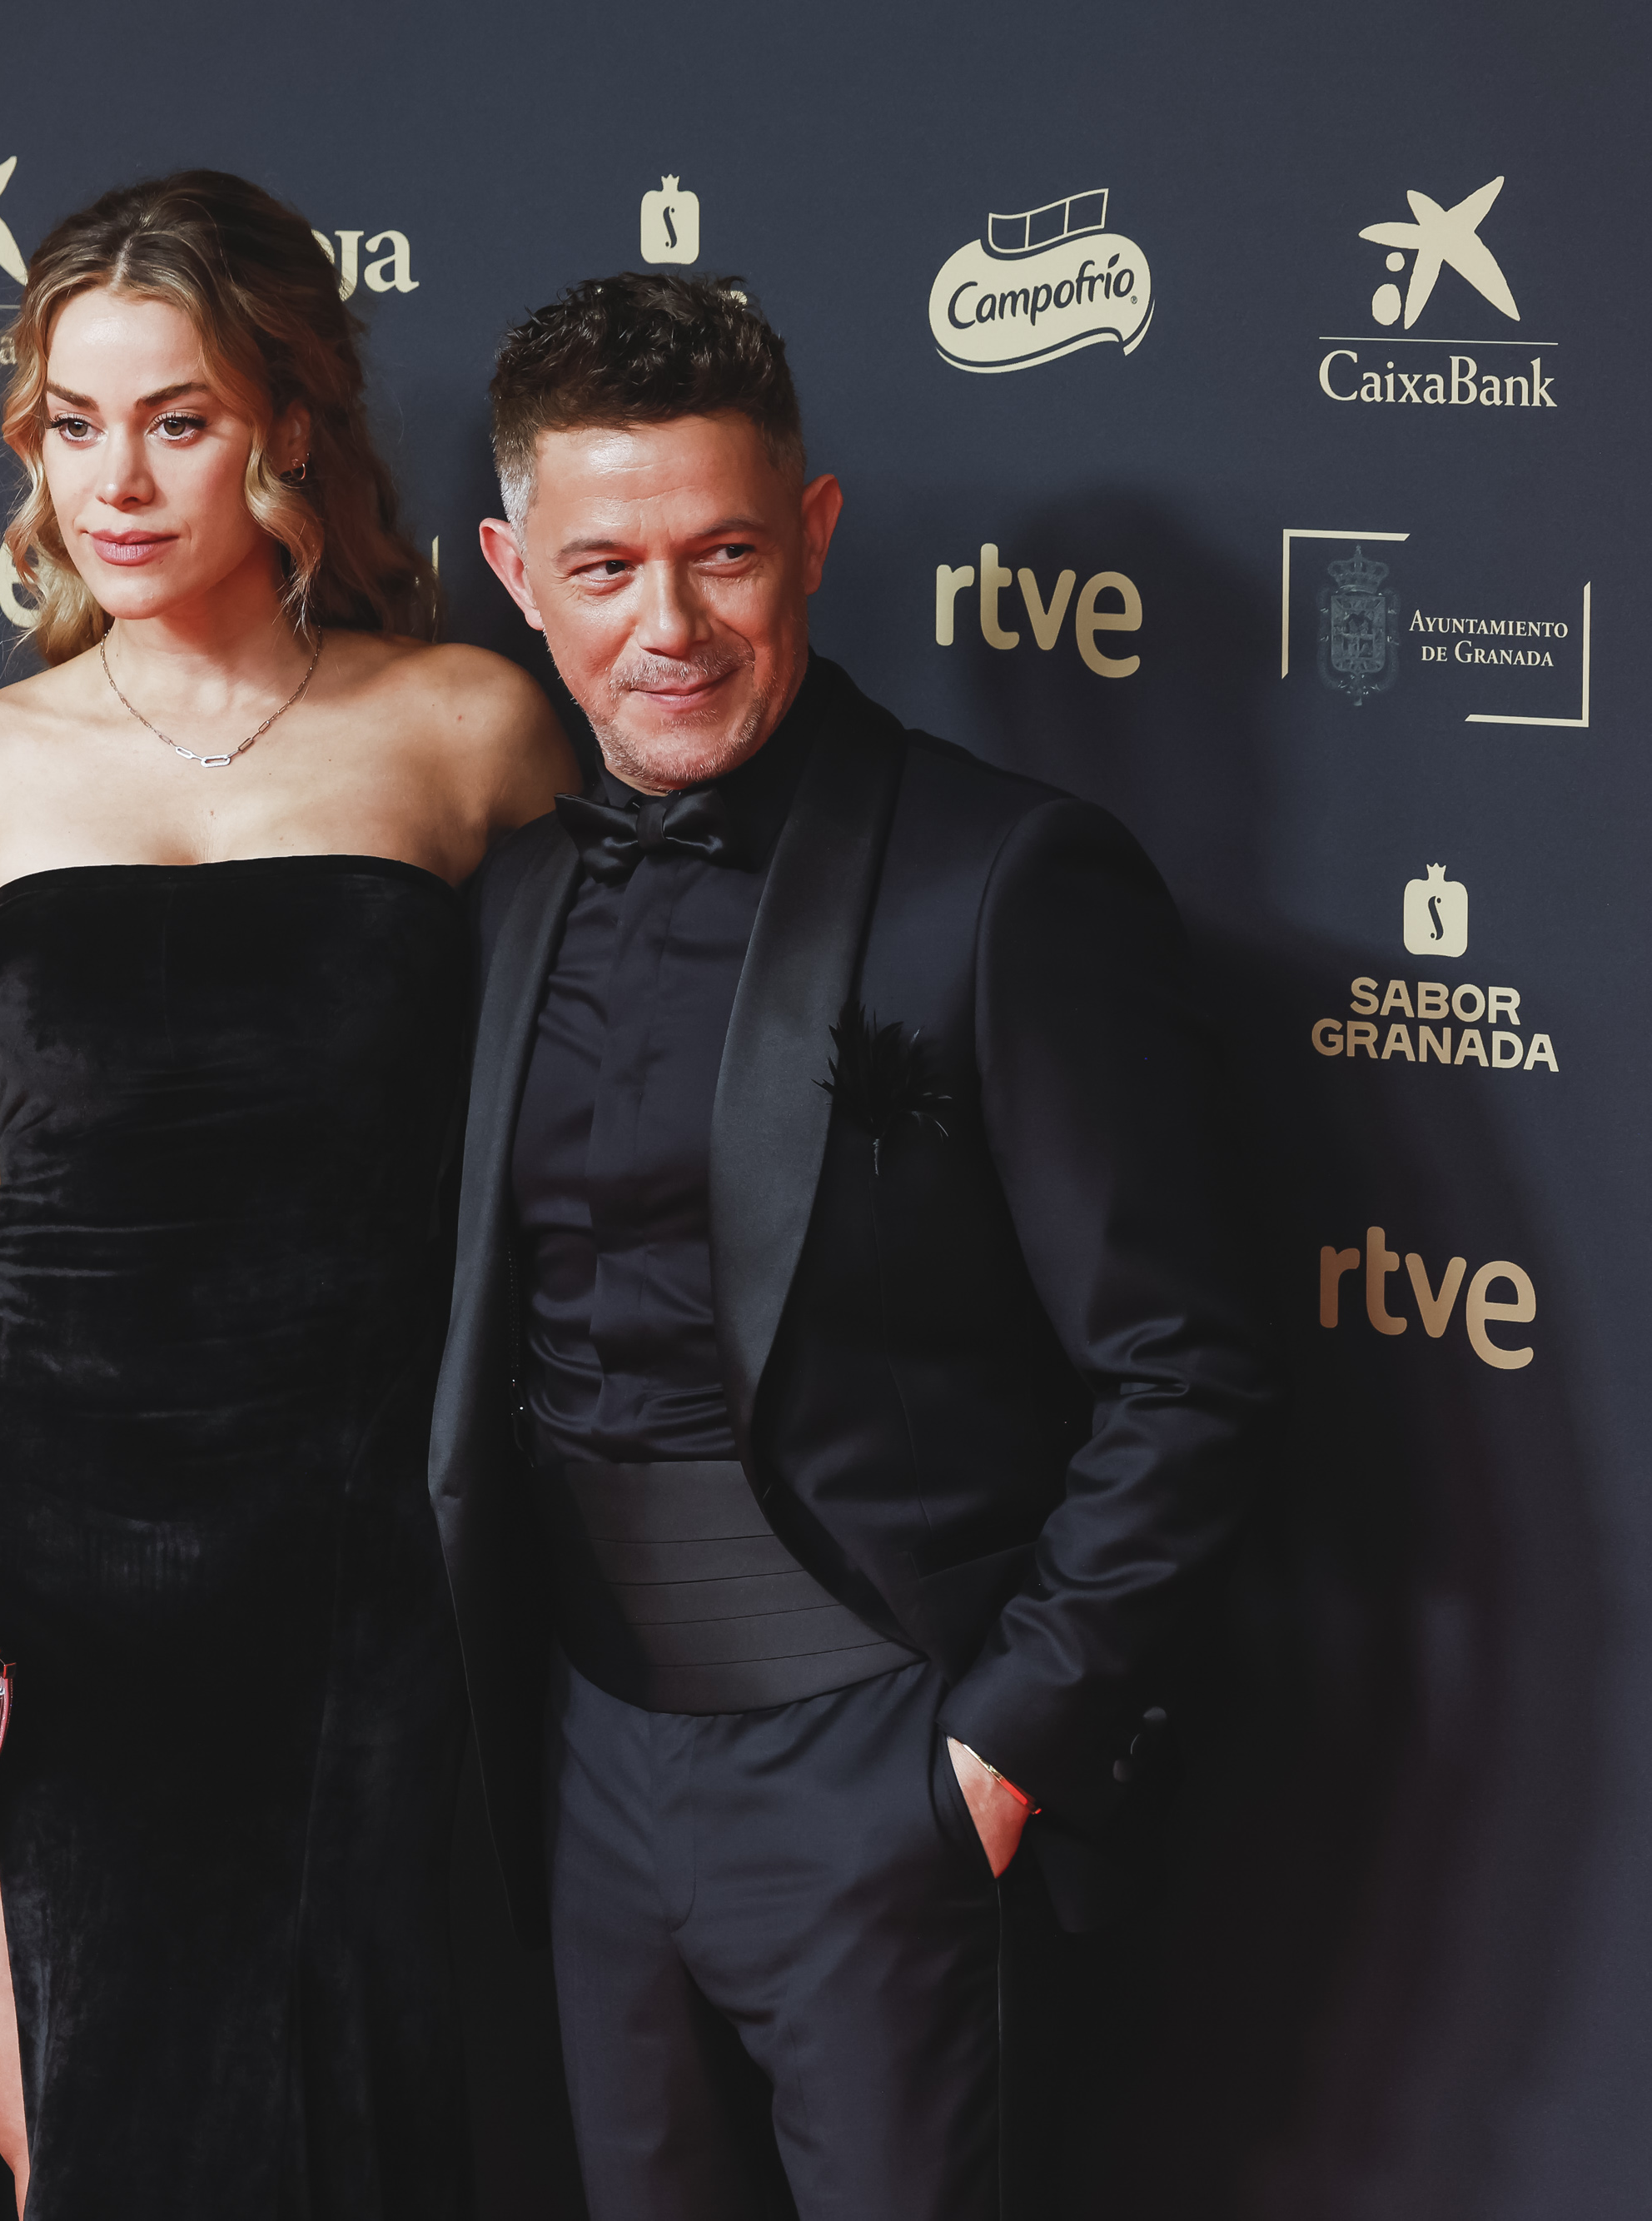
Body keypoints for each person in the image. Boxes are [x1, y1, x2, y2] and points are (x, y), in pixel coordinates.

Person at [0, 170, 571, 2221]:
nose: (115, 476)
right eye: (68, 422)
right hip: (43, 1556)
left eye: (174, 418)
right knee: (88, 2158)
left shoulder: (467, 735)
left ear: (286, 421)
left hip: (370, 1559)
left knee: (372, 2144)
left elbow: (578, 1156)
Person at [435, 273, 1276, 2219]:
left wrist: (994, 1744)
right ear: (511, 571)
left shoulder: (1000, 878)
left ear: (809, 533)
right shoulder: (507, 892)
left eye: (723, 552)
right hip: (578, 1762)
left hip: (876, 1758)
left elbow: (1184, 1368)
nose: (668, 624)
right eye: (606, 564)